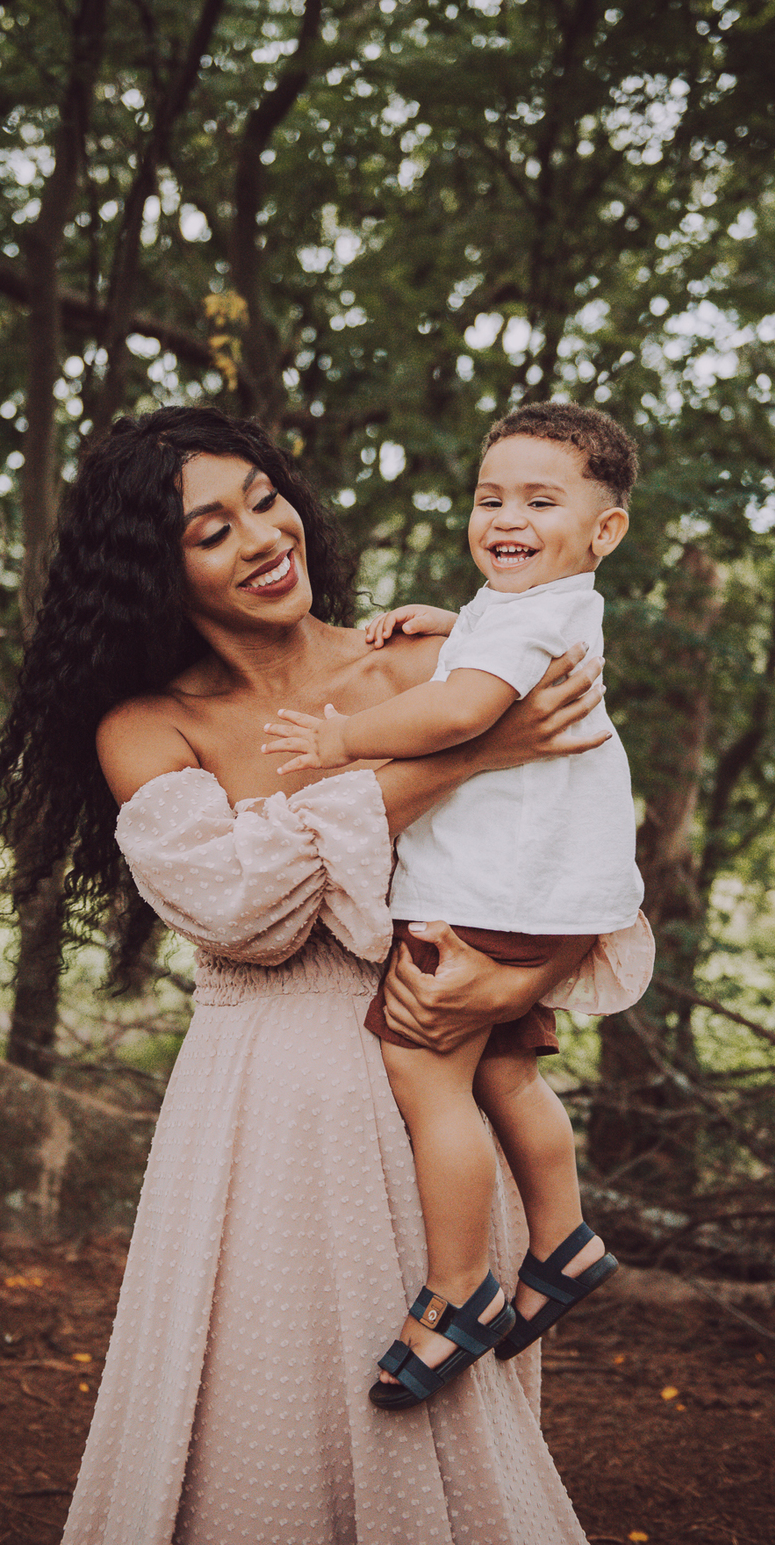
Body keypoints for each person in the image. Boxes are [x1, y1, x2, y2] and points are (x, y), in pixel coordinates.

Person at [0, 403, 621, 1545]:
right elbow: (243, 910)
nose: (264, 537)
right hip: (260, 1121)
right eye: (211, 530)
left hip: (437, 1094)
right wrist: (466, 757)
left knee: (436, 1431)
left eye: (266, 500)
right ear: (157, 569)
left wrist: (521, 982)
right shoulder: (148, 727)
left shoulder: (432, 664)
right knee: (261, 1412)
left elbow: (569, 848)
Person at [261, 403, 653, 1410]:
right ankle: (563, 1239)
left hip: (490, 887)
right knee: (506, 1068)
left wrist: (344, 740)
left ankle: (459, 1288)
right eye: (491, 499)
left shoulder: (523, 620)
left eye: (540, 501)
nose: (507, 518)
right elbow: (498, 644)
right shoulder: (540, 607)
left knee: (426, 1071)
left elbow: (463, 708)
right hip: (543, 890)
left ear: (604, 531)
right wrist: (452, 622)